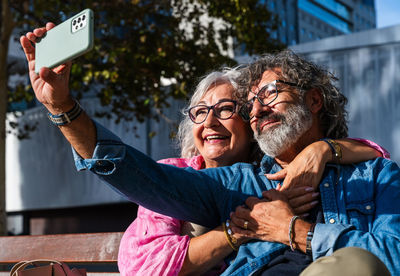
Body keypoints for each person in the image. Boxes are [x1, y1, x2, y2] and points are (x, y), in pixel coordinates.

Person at [20, 23, 398, 275]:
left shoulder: (378, 175)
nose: (259, 109)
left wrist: (295, 230)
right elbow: (139, 174)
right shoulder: (237, 183)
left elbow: (394, 256)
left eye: (269, 93)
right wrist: (62, 108)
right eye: (251, 103)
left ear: (314, 101)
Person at [117, 70, 387, 276]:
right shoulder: (176, 173)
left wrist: (323, 149)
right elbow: (147, 267)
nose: (210, 121)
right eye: (199, 112)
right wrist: (241, 228)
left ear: (252, 124)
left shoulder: (266, 177)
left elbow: (376, 154)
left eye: (225, 109)